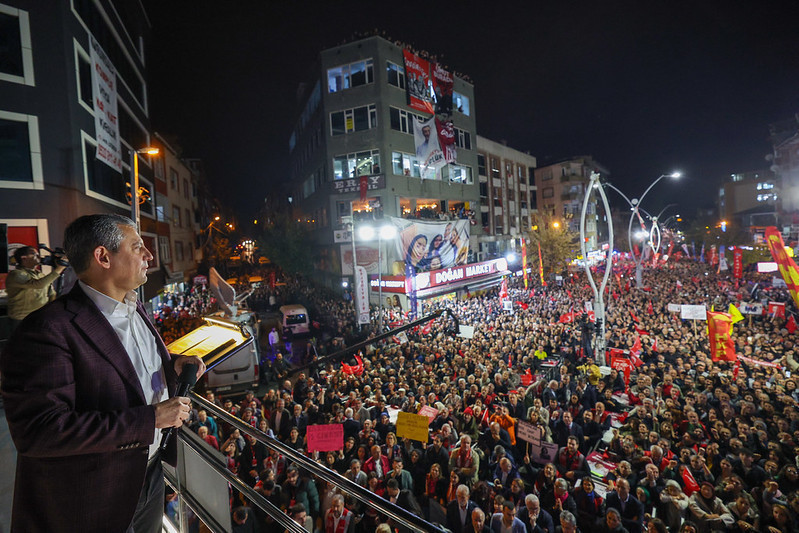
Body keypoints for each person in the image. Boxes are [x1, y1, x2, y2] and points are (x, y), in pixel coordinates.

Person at [0, 213, 205, 532]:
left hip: (149, 477)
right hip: (96, 496)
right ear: (103, 256)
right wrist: (151, 420)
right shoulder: (47, 330)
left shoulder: (134, 306)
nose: (149, 255)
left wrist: (172, 363)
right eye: (137, 246)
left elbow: (122, 363)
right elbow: (40, 431)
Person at [5, 245, 67, 330]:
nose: (39, 257)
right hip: (22, 320)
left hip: (40, 318)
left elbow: (51, 293)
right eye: (34, 254)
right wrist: (59, 269)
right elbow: (38, 285)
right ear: (24, 258)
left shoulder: (40, 274)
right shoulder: (16, 274)